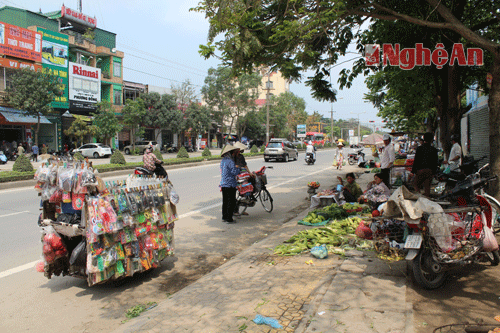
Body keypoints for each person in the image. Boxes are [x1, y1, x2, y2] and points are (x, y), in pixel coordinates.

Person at [411, 132, 439, 197]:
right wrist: (434, 172)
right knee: (427, 188)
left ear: (424, 139)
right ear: (432, 140)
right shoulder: (434, 150)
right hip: (429, 171)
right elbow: (435, 162)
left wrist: (413, 171)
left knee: (416, 185)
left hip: (420, 170)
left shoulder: (419, 149)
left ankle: (419, 198)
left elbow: (416, 161)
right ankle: (426, 200)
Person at [220, 144, 241, 223]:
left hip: (223, 184)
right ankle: (229, 218)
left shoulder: (223, 161)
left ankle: (224, 217)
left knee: (225, 201)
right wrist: (238, 168)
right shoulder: (230, 161)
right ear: (231, 153)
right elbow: (234, 172)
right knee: (231, 201)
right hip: (230, 184)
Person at [233, 142, 252, 216]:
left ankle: (244, 206)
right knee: (234, 194)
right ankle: (235, 210)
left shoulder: (241, 157)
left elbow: (245, 165)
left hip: (243, 176)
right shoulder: (232, 157)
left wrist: (249, 173)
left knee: (247, 189)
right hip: (236, 176)